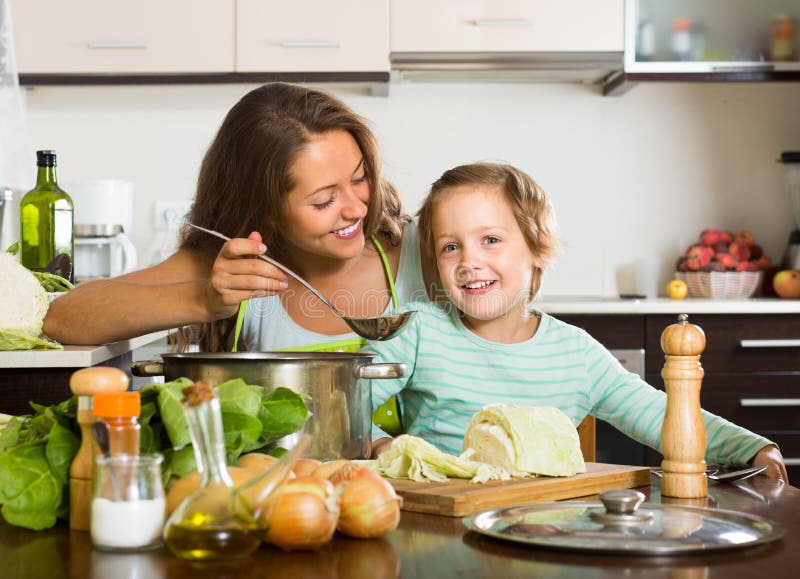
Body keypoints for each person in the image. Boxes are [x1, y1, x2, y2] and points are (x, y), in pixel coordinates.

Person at [363, 162, 789, 482]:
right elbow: (339, 409)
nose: (469, 261)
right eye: (450, 247)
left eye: (490, 240)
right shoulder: (416, 330)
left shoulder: (576, 353)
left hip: (542, 529)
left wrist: (752, 449)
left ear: (537, 249)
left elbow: (663, 416)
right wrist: (381, 443)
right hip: (441, 527)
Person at [43, 83, 427, 353]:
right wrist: (204, 299)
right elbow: (62, 317)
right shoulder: (230, 269)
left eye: (360, 179)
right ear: (265, 210)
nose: (357, 208)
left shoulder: (425, 252)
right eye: (324, 201)